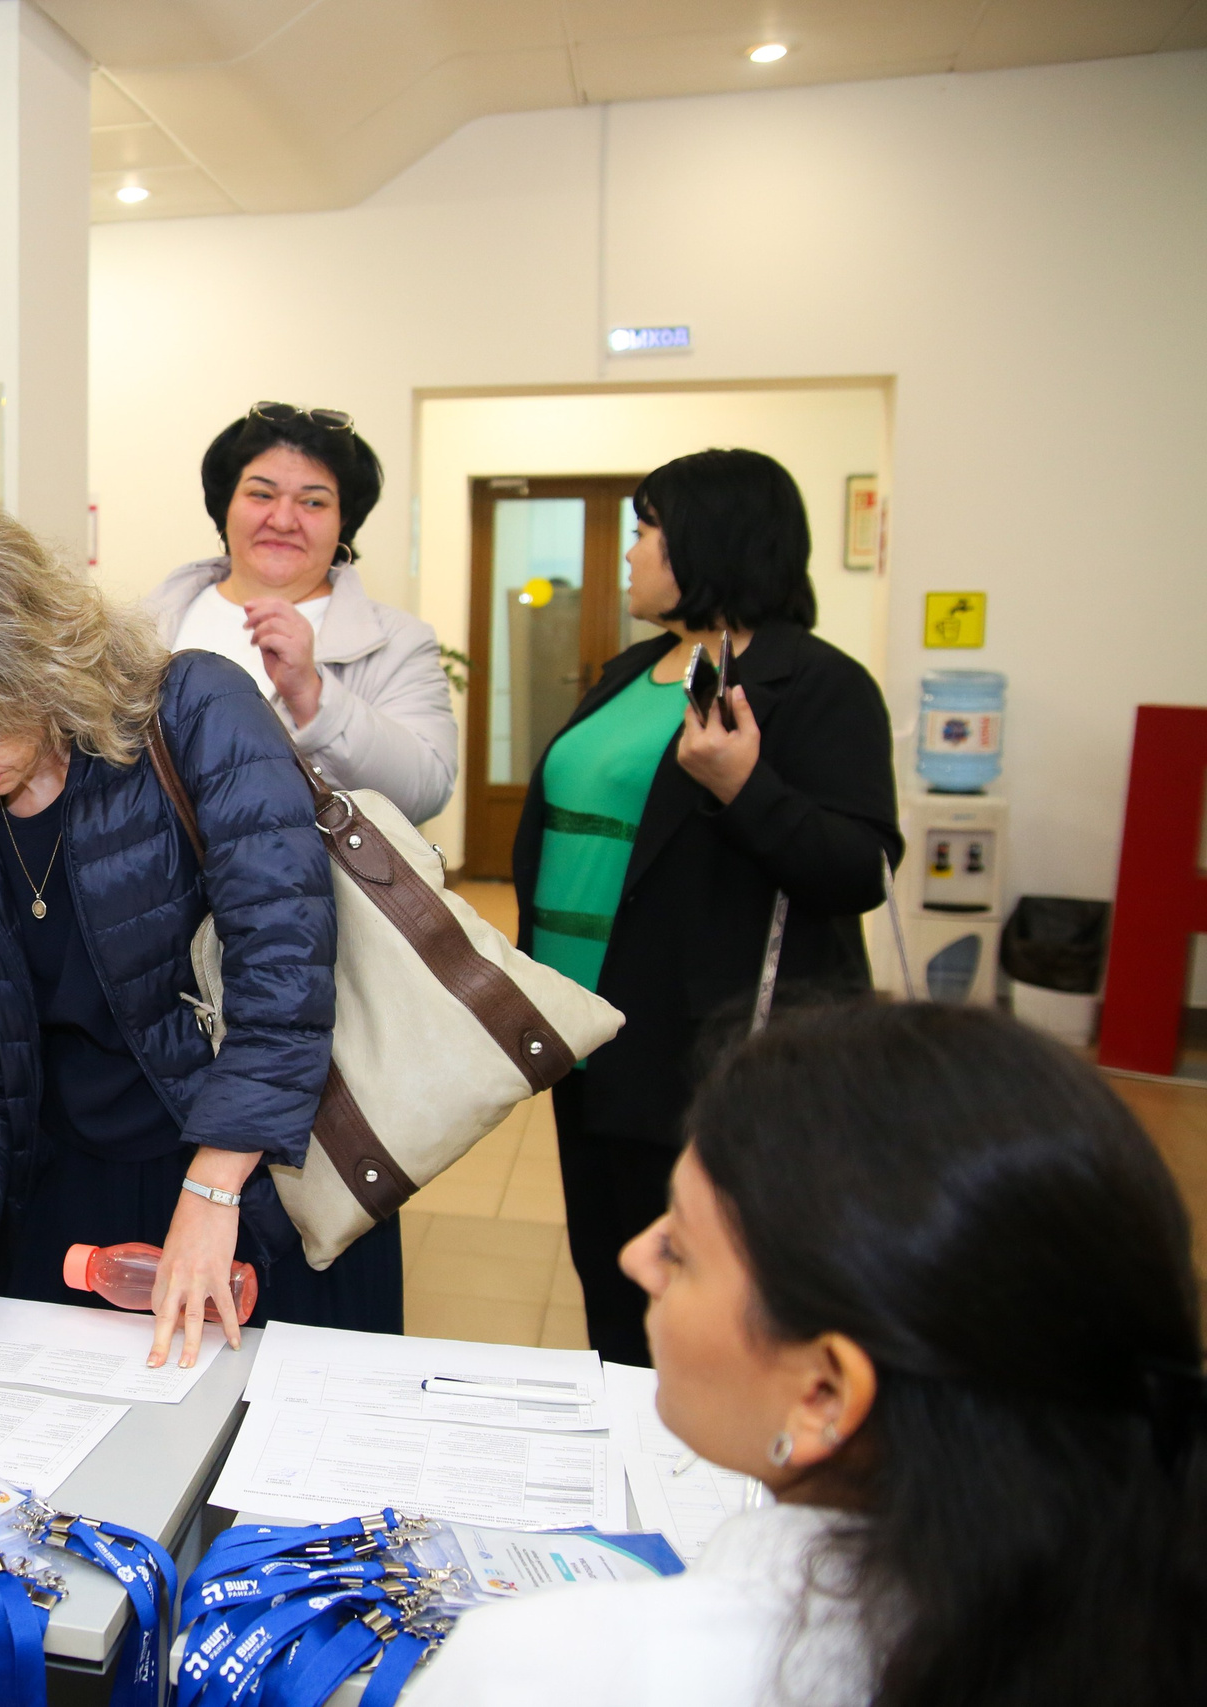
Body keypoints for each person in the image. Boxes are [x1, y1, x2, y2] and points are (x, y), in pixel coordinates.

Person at [404, 1001, 1207, 1707]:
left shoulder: (545, 1673)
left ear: (824, 1392)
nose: (636, 1259)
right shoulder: (1132, 1619)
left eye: (680, 1248)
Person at [0, 508, 400, 1369]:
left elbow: (283, 978)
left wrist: (211, 1191)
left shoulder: (196, 712)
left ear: (34, 659)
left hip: (257, 1170)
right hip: (73, 1193)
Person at [513, 448, 898, 1368]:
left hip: (697, 1056)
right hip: (584, 1038)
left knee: (689, 1313)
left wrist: (744, 785)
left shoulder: (819, 685)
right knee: (611, 1294)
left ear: (708, 540)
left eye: (646, 531)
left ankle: (699, 1485)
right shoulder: (633, 668)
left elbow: (856, 868)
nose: (630, 554)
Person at [143, 403, 456, 822]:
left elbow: (426, 791)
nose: (284, 519)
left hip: (305, 884)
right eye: (261, 494)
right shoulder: (146, 623)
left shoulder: (399, 640)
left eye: (313, 502)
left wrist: (314, 696)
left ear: (343, 521)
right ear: (225, 507)